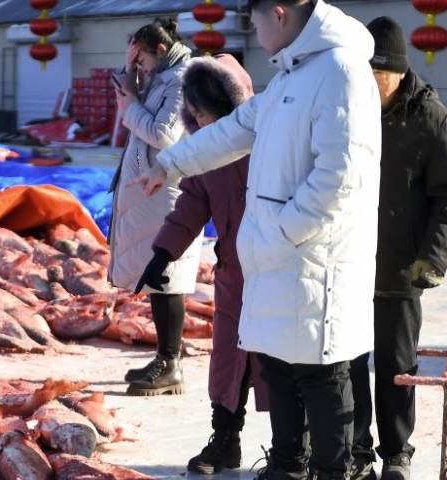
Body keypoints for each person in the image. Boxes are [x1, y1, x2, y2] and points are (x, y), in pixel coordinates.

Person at [129, 0, 381, 478]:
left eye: (254, 21)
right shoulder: (290, 74)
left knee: (319, 376)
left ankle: (335, 471)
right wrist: (171, 163)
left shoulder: (341, 71)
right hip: (274, 263)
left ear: (278, 13)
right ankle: (285, 465)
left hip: (312, 262)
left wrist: (279, 233)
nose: (254, 34)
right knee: (279, 369)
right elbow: (238, 128)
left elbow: (339, 180)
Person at [136, 53, 270, 475]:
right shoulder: (202, 157)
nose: (199, 122)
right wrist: (163, 253)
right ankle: (225, 441)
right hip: (233, 276)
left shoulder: (269, 142)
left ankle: (293, 450)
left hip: (276, 274)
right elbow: (190, 206)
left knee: (280, 367)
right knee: (228, 363)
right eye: (192, 115)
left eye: (204, 113)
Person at [348, 17, 447, 480]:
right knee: (347, 362)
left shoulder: (432, 118)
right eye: (366, 74)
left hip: (401, 264)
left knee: (396, 365)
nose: (372, 84)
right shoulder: (350, 110)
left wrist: (433, 257)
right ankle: (356, 451)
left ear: (399, 72)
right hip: (348, 261)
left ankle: (397, 452)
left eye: (380, 75)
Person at [109, 19, 201, 396]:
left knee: (169, 278)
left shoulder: (181, 81)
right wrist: (127, 71)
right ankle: (164, 357)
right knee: (157, 278)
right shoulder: (162, 78)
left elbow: (164, 135)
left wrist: (131, 106)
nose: (141, 67)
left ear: (161, 51)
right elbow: (136, 112)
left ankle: (171, 363)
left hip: (168, 190)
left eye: (142, 59)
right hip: (152, 190)